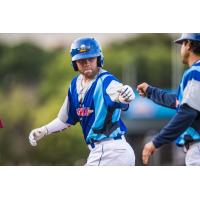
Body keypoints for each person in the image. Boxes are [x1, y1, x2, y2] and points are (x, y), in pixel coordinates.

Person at [29, 37, 136, 166]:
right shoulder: (74, 85)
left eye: (91, 58)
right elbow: (65, 119)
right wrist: (45, 130)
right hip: (107, 152)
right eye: (81, 60)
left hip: (110, 150)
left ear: (98, 58)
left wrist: (126, 95)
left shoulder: (106, 81)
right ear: (75, 63)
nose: (86, 63)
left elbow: (121, 97)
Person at [137, 33, 200, 166]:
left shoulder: (195, 72)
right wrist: (150, 91)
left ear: (188, 44)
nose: (181, 48)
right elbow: (179, 101)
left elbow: (187, 112)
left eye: (182, 43)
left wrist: (156, 142)